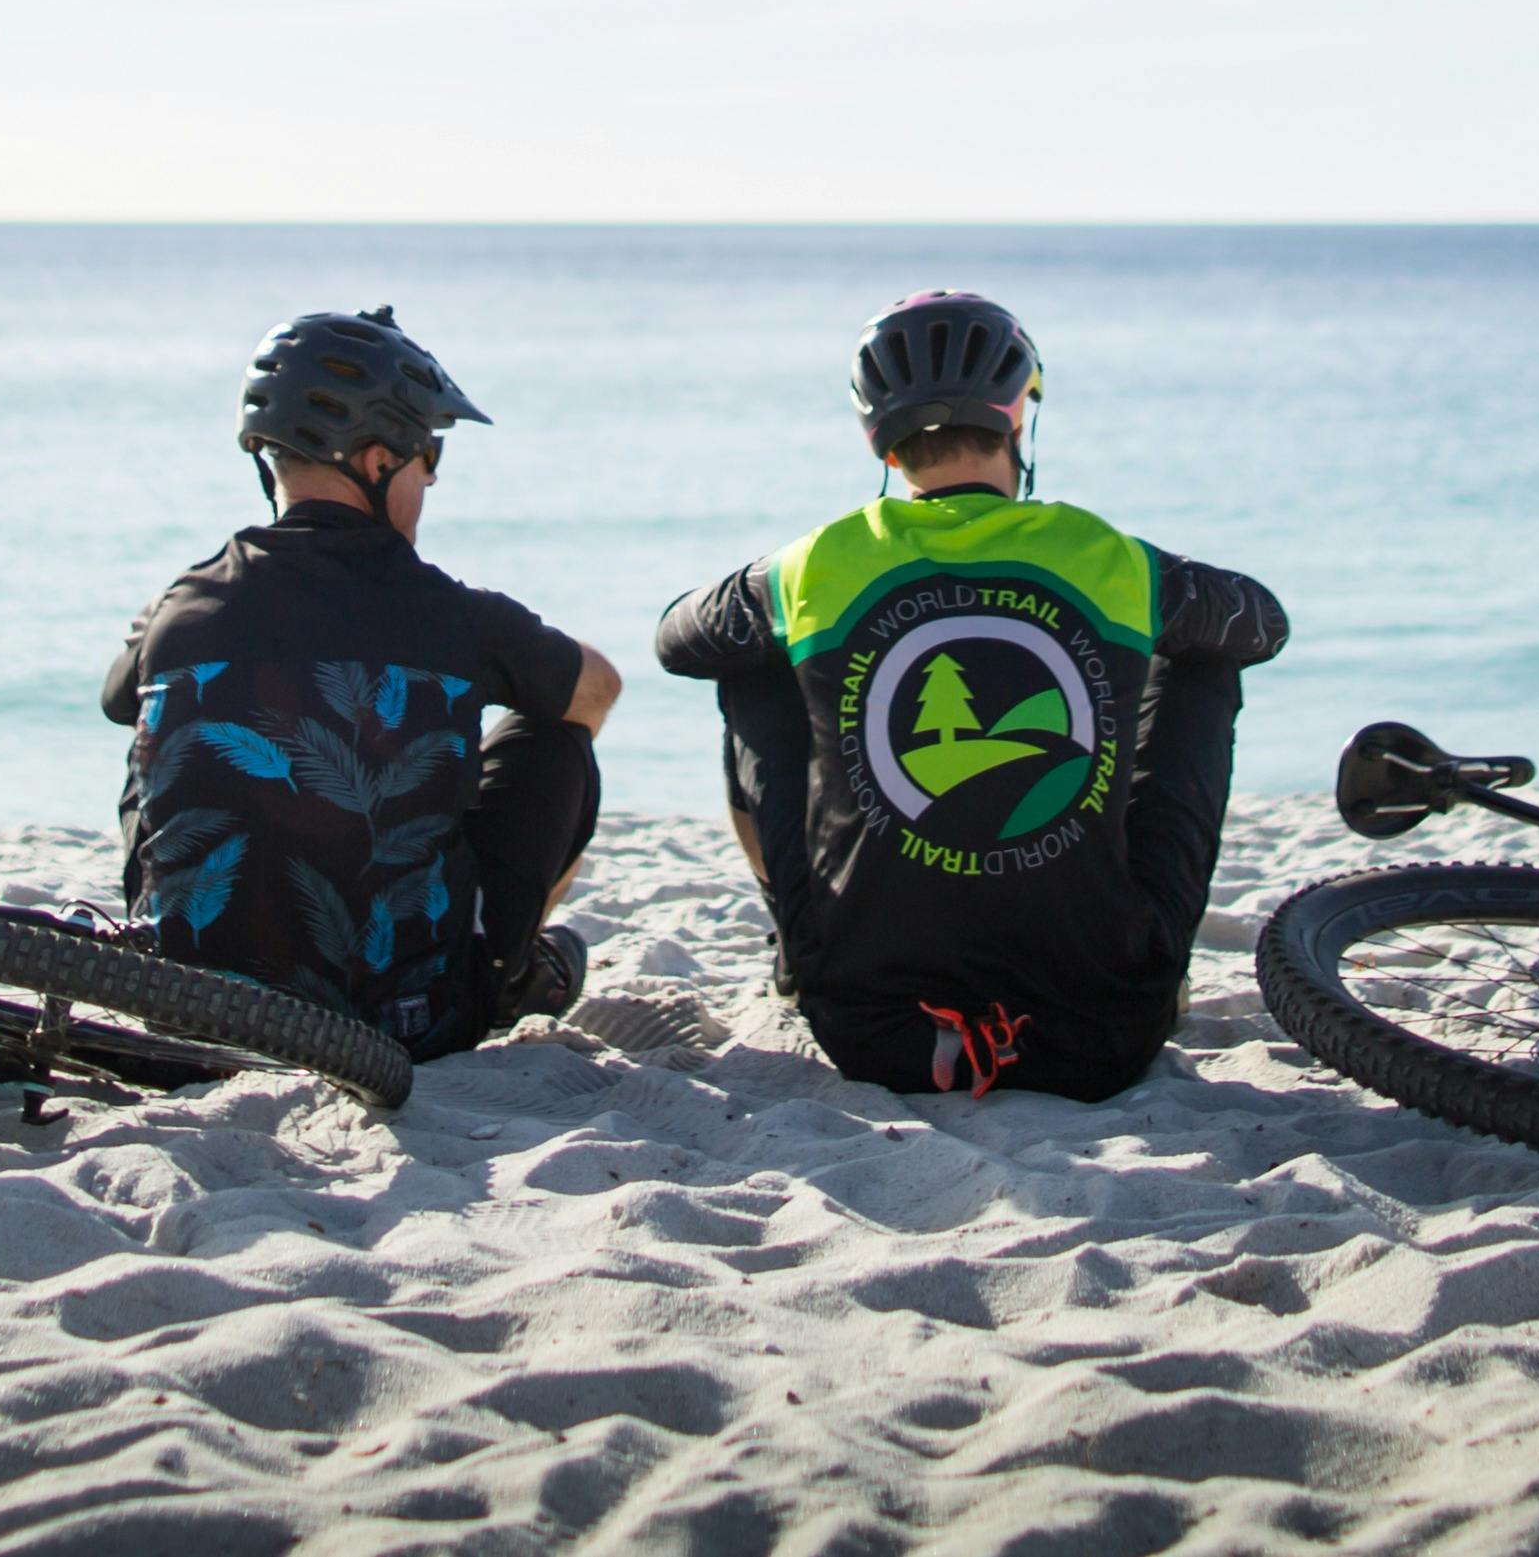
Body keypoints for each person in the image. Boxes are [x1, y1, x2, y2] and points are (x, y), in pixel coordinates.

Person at [654, 292, 1284, 1102]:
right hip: (1101, 1030)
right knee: (1207, 657)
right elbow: (1262, 621)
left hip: (875, 1032)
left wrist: (794, 619)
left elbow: (677, 637)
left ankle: (795, 947)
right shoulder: (1107, 554)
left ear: (873, 433)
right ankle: (1154, 957)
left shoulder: (813, 564)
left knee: (746, 658)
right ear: (1020, 411)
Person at [102, 305, 620, 1057]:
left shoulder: (181, 605)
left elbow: (115, 699)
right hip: (407, 1029)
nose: (432, 478)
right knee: (556, 738)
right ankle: (501, 971)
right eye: (429, 457)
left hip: (194, 1014)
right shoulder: (457, 615)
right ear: (378, 461)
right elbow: (598, 690)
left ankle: (193, 951)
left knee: (161, 715)